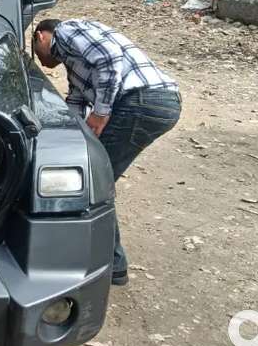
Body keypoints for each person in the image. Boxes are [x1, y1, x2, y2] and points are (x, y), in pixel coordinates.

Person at [31, 18, 181, 286]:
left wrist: (101, 113)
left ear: (41, 36)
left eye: (36, 54)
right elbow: (76, 101)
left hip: (143, 100)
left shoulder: (67, 31)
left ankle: (112, 265)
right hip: (153, 102)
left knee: (93, 184)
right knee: (94, 178)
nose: (42, 63)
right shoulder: (73, 61)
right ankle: (112, 264)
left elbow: (109, 58)